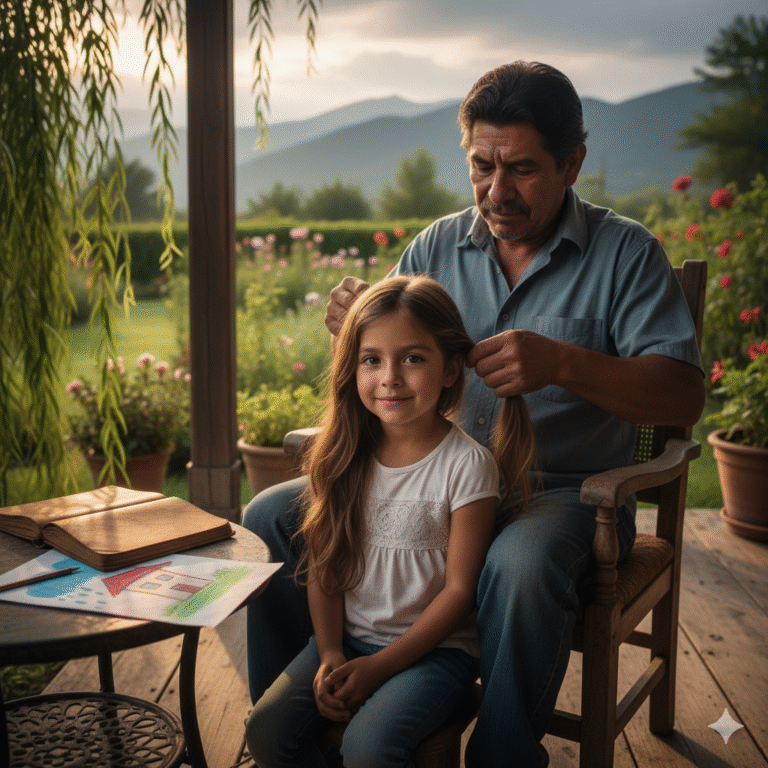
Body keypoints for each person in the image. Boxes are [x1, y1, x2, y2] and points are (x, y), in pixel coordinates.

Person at [243, 61, 705, 767]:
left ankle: (502, 754)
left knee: (518, 565)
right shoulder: (434, 247)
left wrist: (563, 364)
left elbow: (681, 395)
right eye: (480, 166)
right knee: (271, 517)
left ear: (573, 161)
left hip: (560, 495)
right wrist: (360, 324)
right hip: (426, 481)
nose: (496, 190)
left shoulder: (627, 254)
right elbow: (391, 354)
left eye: (520, 168)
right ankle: (310, 715)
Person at [244, 275, 536, 767]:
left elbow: (460, 593)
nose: (390, 377)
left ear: (448, 369)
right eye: (371, 359)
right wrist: (333, 651)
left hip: (435, 655)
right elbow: (326, 567)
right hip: (346, 641)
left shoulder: (467, 467)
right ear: (351, 368)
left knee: (368, 747)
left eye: (413, 358)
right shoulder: (344, 455)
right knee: (267, 732)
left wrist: (376, 669)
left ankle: (452, 699)